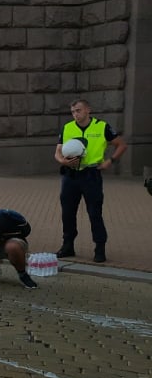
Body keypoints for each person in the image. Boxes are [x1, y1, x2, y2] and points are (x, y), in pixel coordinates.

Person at [55, 99, 128, 263]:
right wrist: (63, 161)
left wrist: (110, 161)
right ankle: (68, 245)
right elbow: (57, 152)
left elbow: (121, 145)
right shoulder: (67, 127)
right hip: (70, 175)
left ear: (88, 110)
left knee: (95, 213)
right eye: (73, 111)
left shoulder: (102, 126)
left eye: (78, 110)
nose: (76, 114)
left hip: (91, 175)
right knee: (67, 212)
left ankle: (100, 248)